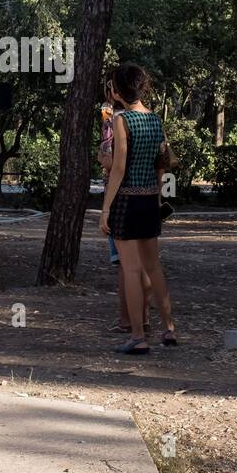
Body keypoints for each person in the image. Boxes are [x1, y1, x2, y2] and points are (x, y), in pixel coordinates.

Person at [99, 64, 177, 354]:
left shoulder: (122, 121)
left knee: (131, 269)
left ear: (118, 91)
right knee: (154, 267)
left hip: (126, 202)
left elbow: (118, 168)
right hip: (149, 200)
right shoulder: (155, 120)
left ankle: (137, 335)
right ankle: (169, 328)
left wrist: (106, 208)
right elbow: (162, 163)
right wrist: (157, 196)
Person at [99, 91, 151, 334]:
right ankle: (145, 318)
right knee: (144, 263)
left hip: (122, 197)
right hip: (146, 196)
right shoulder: (150, 119)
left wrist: (106, 208)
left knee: (124, 264)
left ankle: (129, 323)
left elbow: (117, 165)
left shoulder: (116, 120)